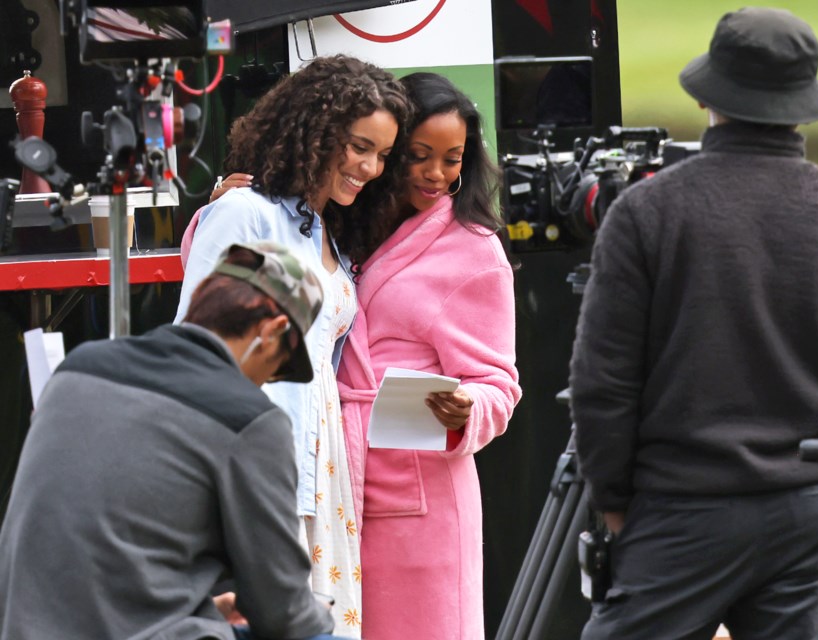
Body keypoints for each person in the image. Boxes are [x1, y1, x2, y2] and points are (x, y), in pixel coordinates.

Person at [569, 7, 818, 640]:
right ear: (801, 104)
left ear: (710, 99)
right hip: (803, 516)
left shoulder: (648, 212)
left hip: (676, 510)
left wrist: (615, 504)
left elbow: (603, 383)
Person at [174, 54, 408, 637]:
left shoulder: (323, 227)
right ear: (316, 130)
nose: (370, 166)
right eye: (358, 146)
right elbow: (196, 349)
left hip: (319, 468)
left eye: (382, 154)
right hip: (257, 469)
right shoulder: (245, 214)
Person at [0, 241, 336, 640]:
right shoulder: (247, 420)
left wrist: (204, 607)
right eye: (280, 367)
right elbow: (284, 611)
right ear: (272, 330)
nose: (266, 382)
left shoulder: (78, 368)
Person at [334, 72, 521, 639]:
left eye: (452, 158)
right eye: (418, 156)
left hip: (422, 495)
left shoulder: (474, 251)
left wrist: (469, 404)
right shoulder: (343, 220)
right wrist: (227, 202)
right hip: (341, 480)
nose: (436, 175)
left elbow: (499, 382)